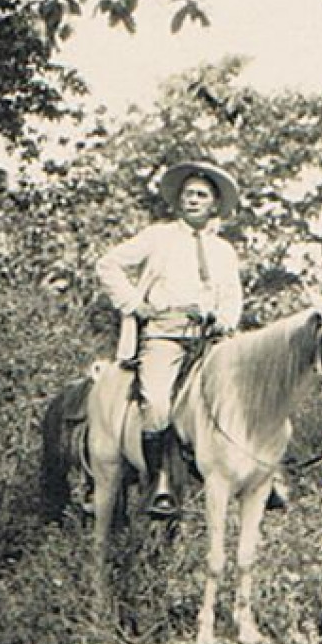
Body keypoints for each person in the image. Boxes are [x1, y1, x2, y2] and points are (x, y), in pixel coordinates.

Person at [96, 160, 243, 518]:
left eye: (201, 195)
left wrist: (225, 320)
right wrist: (134, 304)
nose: (193, 200)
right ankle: (160, 483)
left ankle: (261, 477)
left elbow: (232, 296)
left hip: (209, 337)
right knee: (159, 402)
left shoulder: (224, 250)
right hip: (164, 334)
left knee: (246, 393)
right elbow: (108, 264)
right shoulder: (158, 236)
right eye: (188, 194)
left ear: (214, 205)